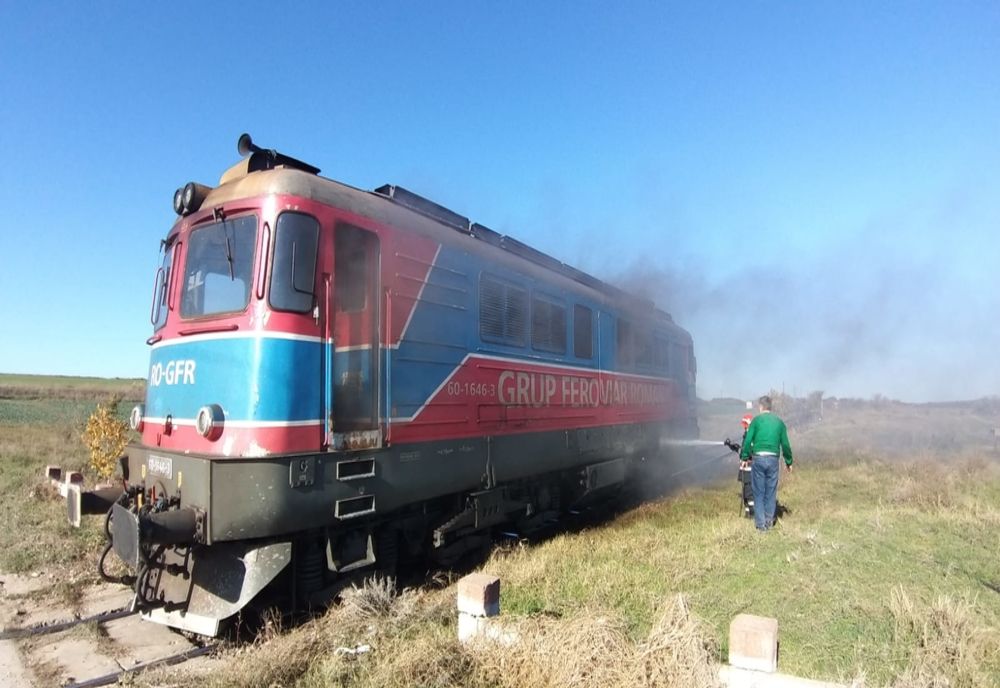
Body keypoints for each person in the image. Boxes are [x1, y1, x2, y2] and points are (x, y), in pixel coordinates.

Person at [739, 395, 793, 531]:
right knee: (771, 491)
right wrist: (788, 461)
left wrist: (745, 458)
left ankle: (761, 526)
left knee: (758, 492)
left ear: (761, 407)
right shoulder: (779, 422)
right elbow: (785, 444)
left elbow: (747, 441)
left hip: (758, 458)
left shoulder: (756, 421)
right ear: (770, 407)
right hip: (773, 459)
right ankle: (769, 522)